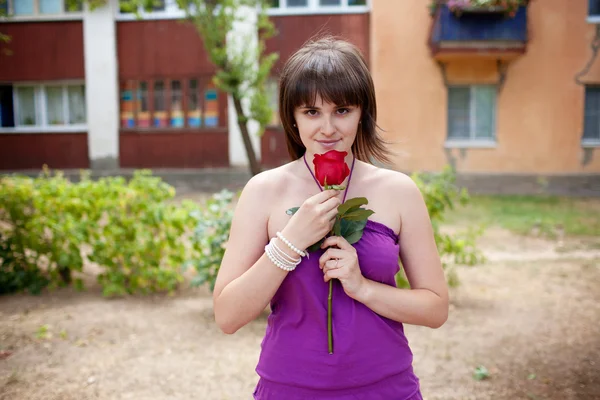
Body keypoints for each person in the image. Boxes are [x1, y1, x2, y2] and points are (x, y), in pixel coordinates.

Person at [212, 37, 449, 400]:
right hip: (289, 388)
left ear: (363, 112)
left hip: (385, 387)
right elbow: (228, 317)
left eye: (342, 110)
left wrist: (363, 288)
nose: (327, 128)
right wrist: (289, 243)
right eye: (311, 112)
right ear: (292, 118)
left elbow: (435, 308)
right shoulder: (263, 191)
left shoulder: (400, 191)